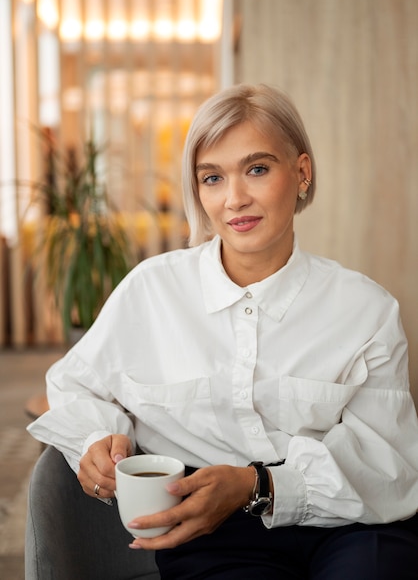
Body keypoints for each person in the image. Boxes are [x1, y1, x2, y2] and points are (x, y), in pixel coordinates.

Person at [28, 83, 418, 579]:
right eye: (212, 178)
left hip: (354, 522)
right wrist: (98, 440)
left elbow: (389, 463)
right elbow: (76, 383)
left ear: (301, 173)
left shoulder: (367, 309)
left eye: (257, 169)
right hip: (210, 533)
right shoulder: (152, 291)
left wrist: (259, 485)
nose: (235, 199)